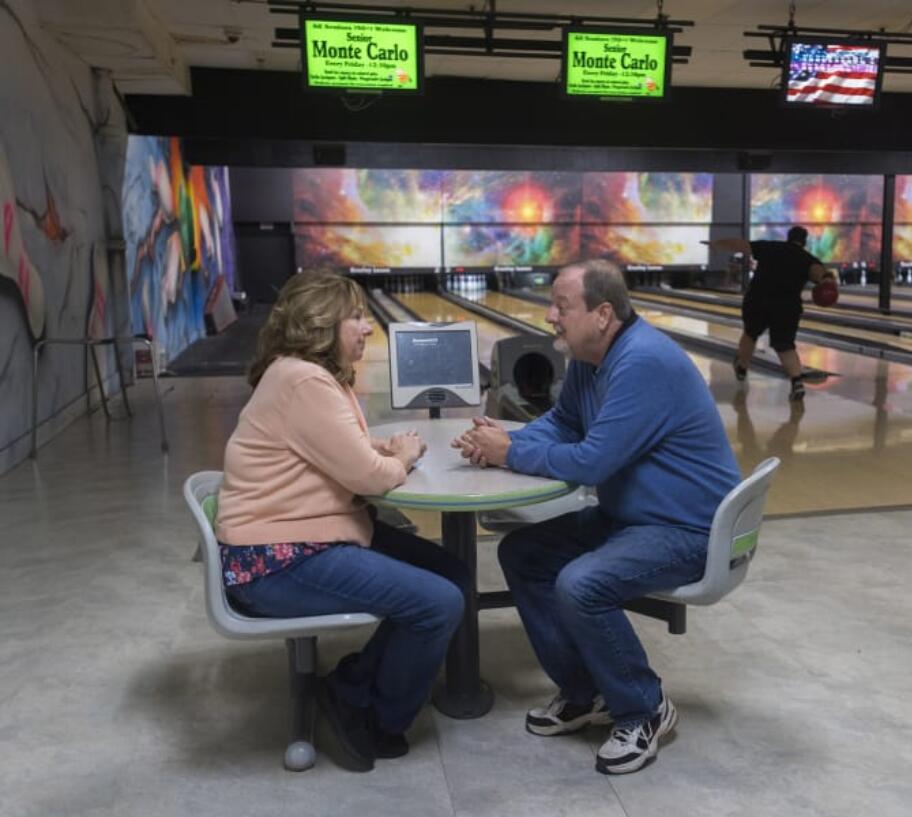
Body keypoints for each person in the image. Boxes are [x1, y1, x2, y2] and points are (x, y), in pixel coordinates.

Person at [450, 259, 741, 775]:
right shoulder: (590, 357)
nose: (550, 318)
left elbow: (592, 462)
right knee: (523, 553)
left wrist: (507, 453)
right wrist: (502, 440)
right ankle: (586, 694)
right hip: (631, 518)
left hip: (687, 530)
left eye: (561, 307)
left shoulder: (642, 362)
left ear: (603, 313)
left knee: (580, 584)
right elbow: (564, 423)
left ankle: (644, 707)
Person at [214, 271, 467, 772]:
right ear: (321, 323)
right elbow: (370, 478)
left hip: (309, 535)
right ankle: (371, 716)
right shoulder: (304, 380)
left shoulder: (305, 375)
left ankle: (351, 685)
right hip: (275, 561)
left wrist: (383, 453)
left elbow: (338, 452)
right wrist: (404, 457)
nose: (367, 327)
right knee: (439, 602)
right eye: (355, 316)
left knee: (454, 573)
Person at [706, 226, 832, 400]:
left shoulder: (770, 247)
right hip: (787, 307)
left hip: (758, 300)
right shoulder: (807, 258)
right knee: (785, 345)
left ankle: (742, 367)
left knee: (750, 334)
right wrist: (827, 280)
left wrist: (717, 244)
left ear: (788, 237)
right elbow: (819, 273)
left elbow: (740, 245)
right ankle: (796, 381)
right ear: (804, 242)